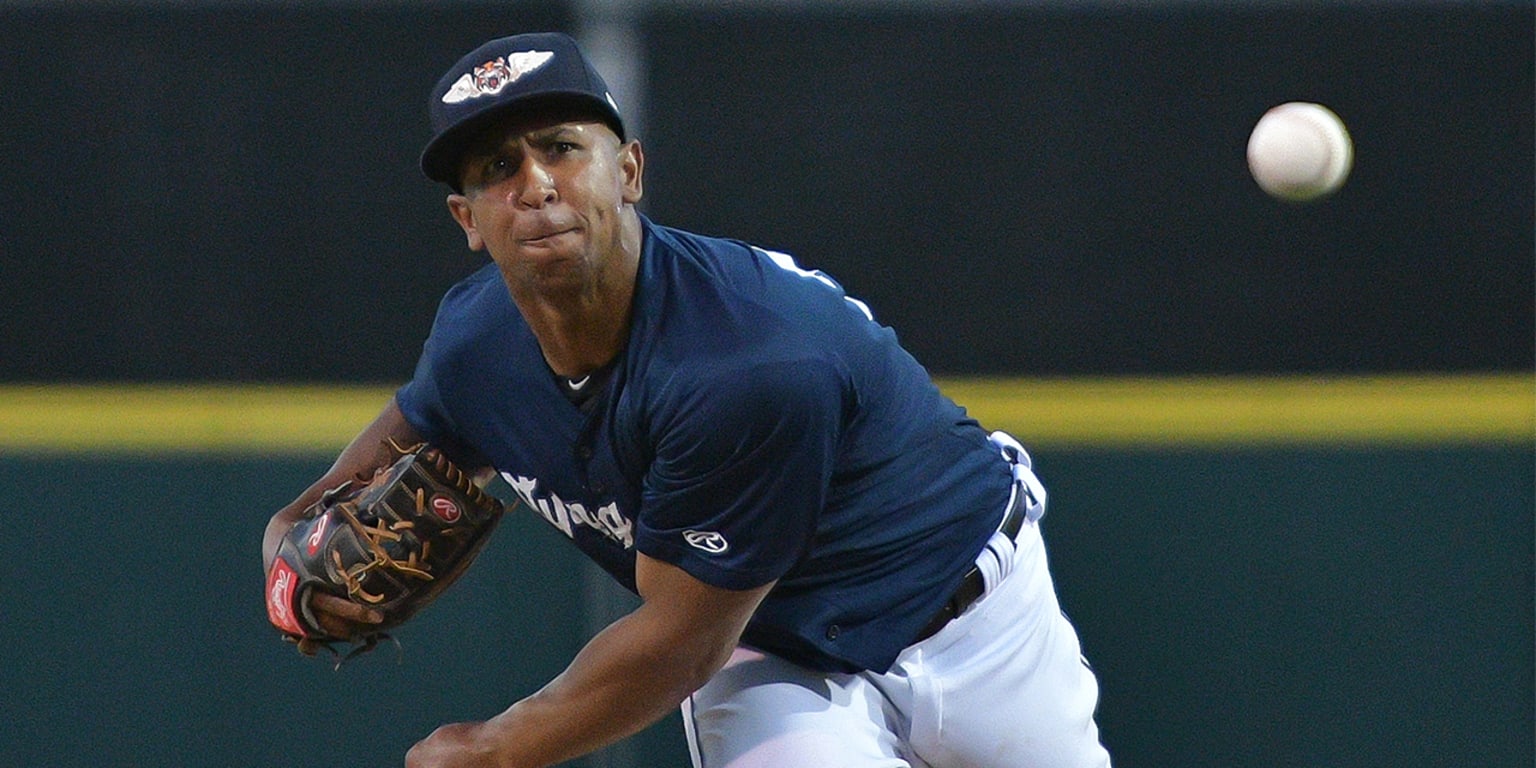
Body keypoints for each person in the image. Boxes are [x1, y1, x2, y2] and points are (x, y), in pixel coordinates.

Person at [261, 31, 1113, 768]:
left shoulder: (744, 362)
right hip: (777, 655)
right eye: (496, 168)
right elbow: (320, 506)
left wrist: (498, 747)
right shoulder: (477, 347)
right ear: (467, 219)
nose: (536, 184)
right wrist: (286, 566)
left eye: (561, 147)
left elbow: (680, 641)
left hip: (979, 621)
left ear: (628, 170)